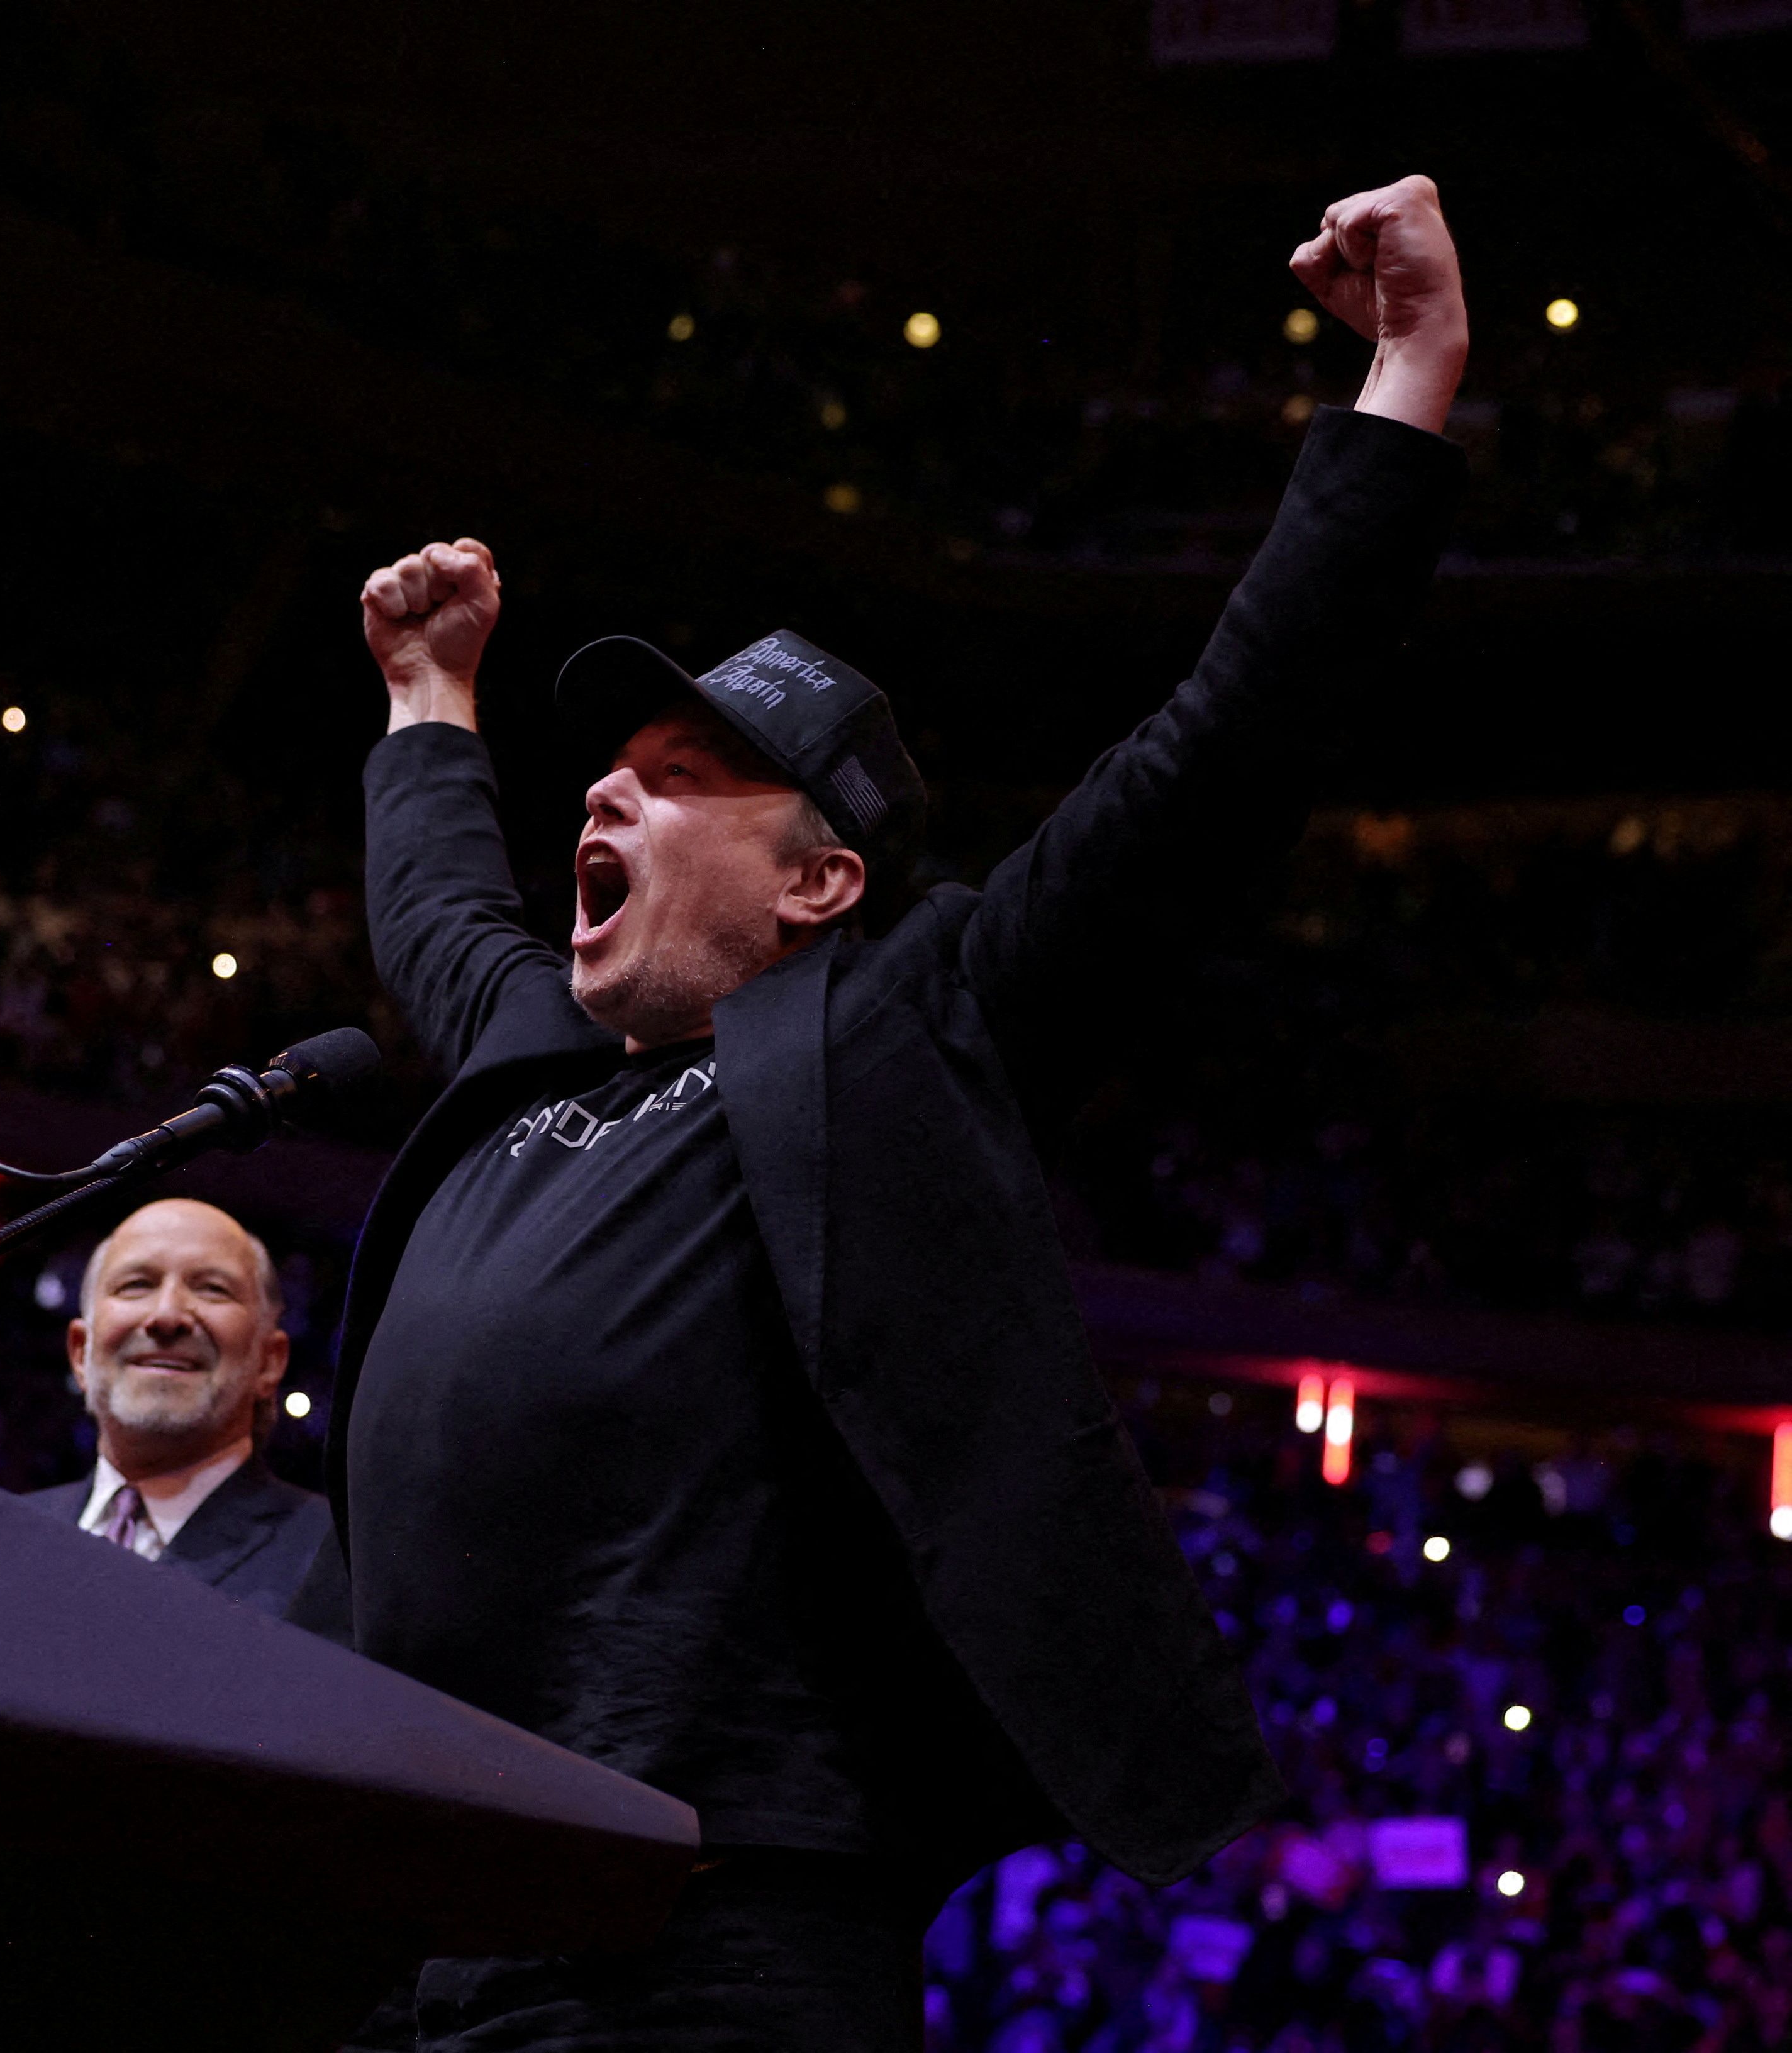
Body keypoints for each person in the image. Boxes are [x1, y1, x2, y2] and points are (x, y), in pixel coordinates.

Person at [328, 177, 1472, 2048]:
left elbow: (1211, 759)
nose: (604, 805)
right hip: (432, 1897)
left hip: (715, 1923)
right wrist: (428, 699)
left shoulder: (891, 1031)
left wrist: (1407, 374)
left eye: (682, 780)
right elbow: (439, 909)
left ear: (820, 886)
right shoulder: (537, 1047)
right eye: (604, 779)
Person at [25, 1198, 332, 1620]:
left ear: (269, 1361)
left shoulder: (338, 1562)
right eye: (136, 1285)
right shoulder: (0, 1535)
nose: (168, 1315)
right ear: (80, 1353)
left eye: (213, 1289)